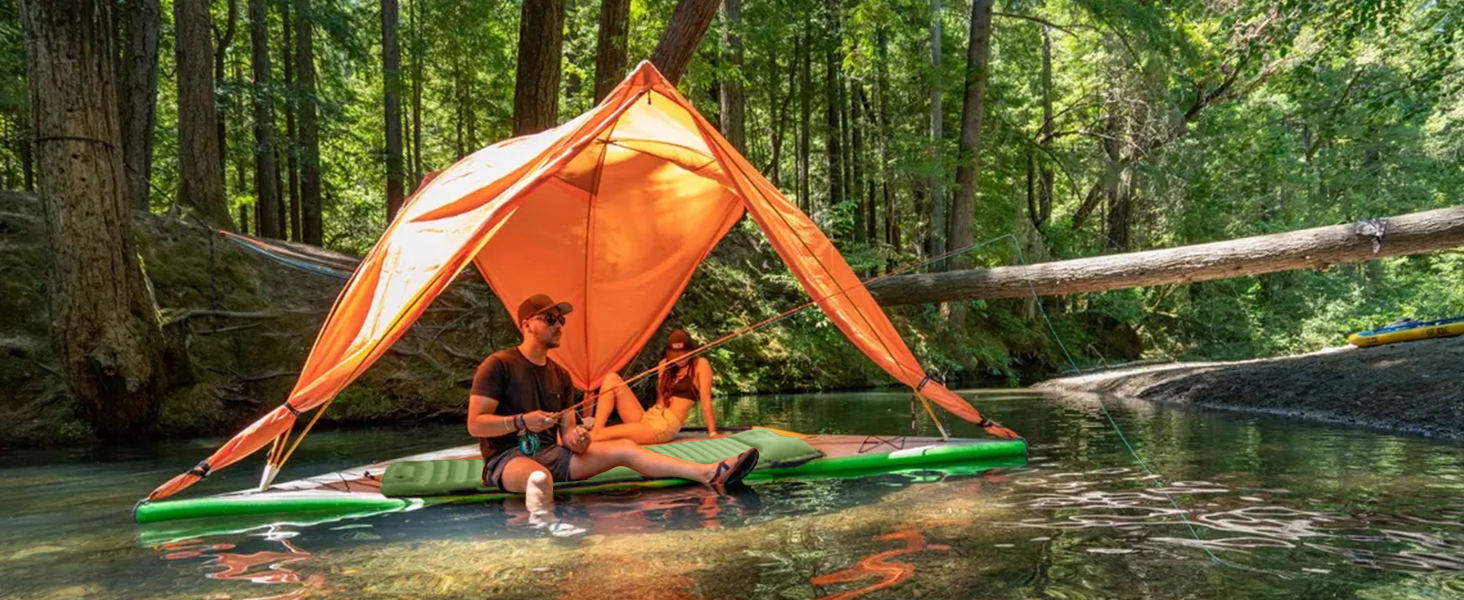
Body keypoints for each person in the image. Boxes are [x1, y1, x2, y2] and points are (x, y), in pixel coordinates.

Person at [466, 294, 759, 519]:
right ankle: (547, 540)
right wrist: (520, 422)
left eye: (561, 320)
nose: (559, 325)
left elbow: (568, 435)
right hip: (507, 458)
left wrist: (579, 439)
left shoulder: (561, 375)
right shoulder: (499, 365)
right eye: (550, 319)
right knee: (539, 479)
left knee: (625, 447)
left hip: (555, 455)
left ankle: (709, 473)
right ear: (527, 324)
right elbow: (475, 423)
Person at [590, 329, 720, 444]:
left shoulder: (700, 365)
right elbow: (660, 399)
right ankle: (596, 430)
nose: (680, 358)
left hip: (665, 426)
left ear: (690, 351)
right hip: (649, 417)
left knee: (605, 434)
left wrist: (712, 433)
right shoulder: (664, 365)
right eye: (675, 354)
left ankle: (592, 437)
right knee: (611, 379)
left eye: (683, 353)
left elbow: (706, 401)